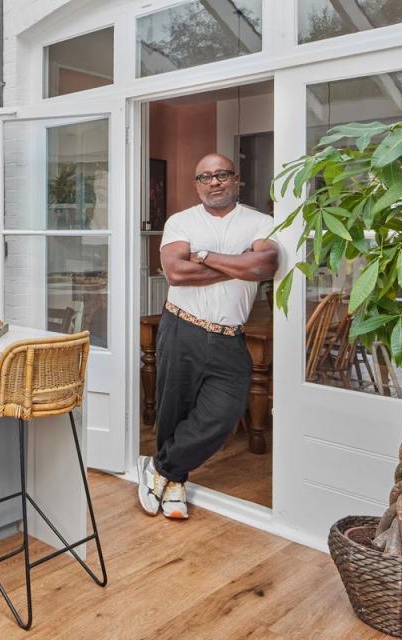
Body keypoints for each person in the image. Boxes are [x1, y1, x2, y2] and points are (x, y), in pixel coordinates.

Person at [138, 153, 279, 519]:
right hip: (182, 327)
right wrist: (237, 266)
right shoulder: (180, 221)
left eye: (221, 175)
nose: (214, 182)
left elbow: (265, 265)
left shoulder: (261, 222)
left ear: (236, 179)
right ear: (196, 184)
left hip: (231, 336)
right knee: (174, 409)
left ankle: (159, 468)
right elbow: (176, 273)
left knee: (225, 416)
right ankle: (175, 486)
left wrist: (203, 255)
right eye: (205, 177)